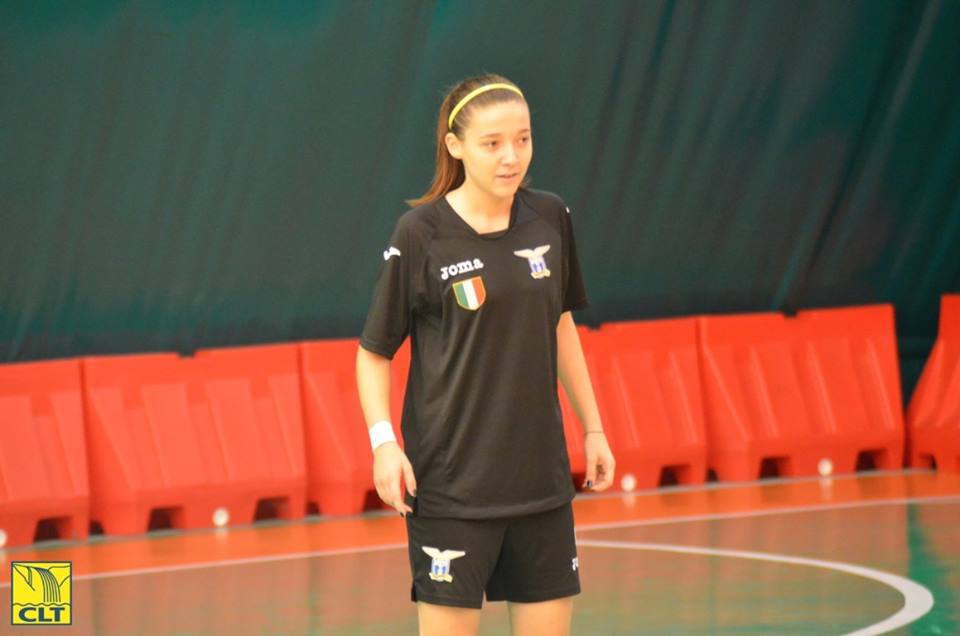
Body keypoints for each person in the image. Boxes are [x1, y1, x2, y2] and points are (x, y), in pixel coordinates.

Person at [356, 73, 615, 636]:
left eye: (522, 139)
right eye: (492, 143)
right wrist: (384, 445)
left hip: (540, 484)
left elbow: (561, 325)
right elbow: (373, 353)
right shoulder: (420, 233)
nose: (511, 157)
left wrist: (593, 427)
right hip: (452, 489)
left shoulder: (550, 217)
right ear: (455, 146)